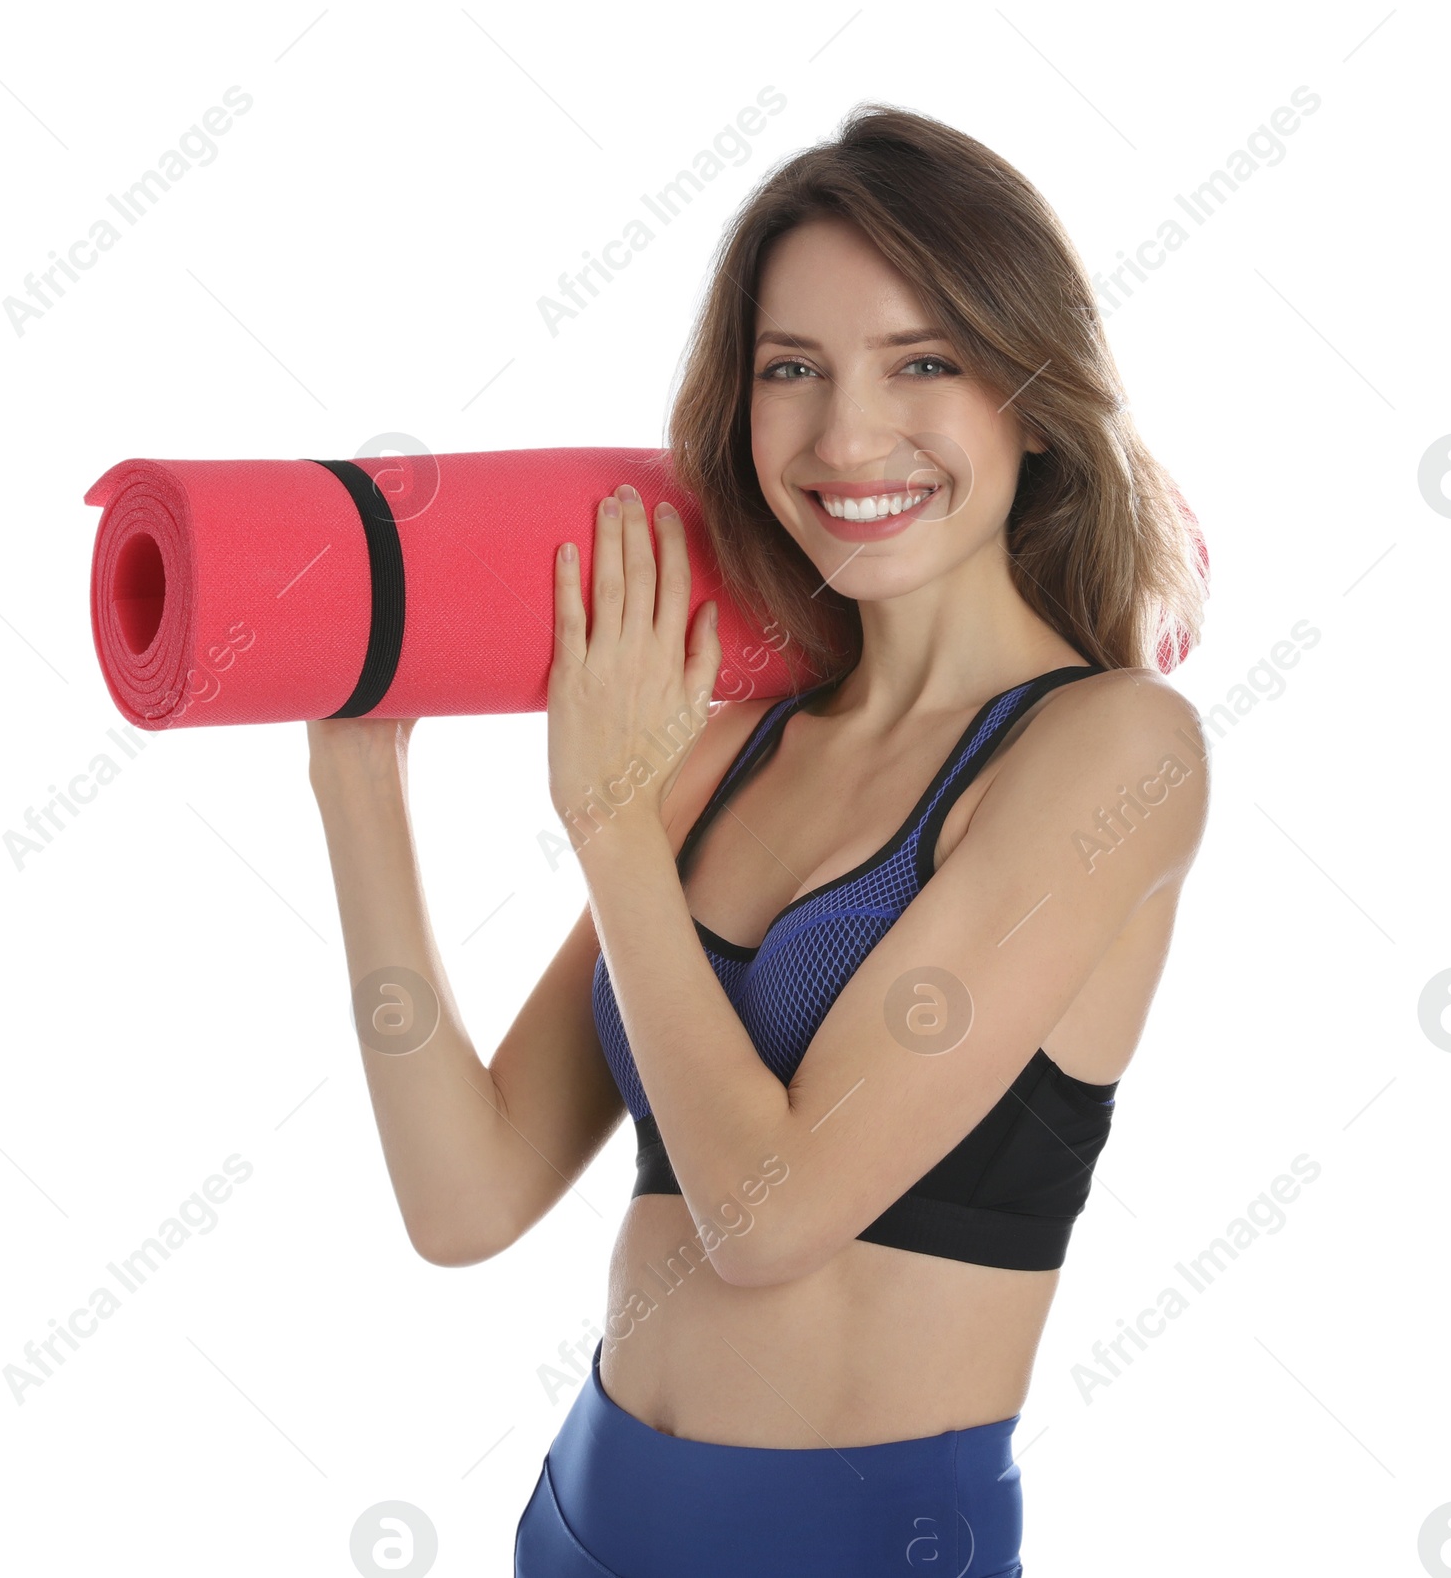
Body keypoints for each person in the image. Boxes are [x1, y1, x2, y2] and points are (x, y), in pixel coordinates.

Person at [308, 103, 1209, 1578]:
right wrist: (359, 778)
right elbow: (464, 1200)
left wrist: (609, 821)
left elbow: (770, 1219)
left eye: (924, 362)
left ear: (1034, 399)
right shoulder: (732, 753)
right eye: (792, 370)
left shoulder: (1112, 751)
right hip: (580, 1520)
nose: (848, 434)